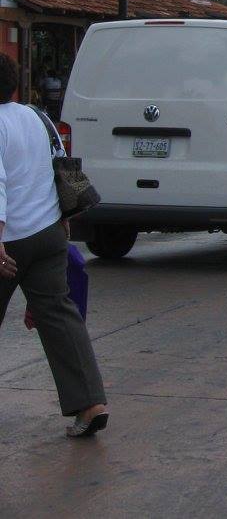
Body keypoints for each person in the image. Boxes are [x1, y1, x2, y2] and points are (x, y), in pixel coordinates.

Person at [0, 55, 108, 438]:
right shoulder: (38, 118)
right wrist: (64, 218)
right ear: (15, 86)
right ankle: (91, 404)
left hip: (9, 242)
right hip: (49, 232)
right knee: (59, 316)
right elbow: (61, 166)